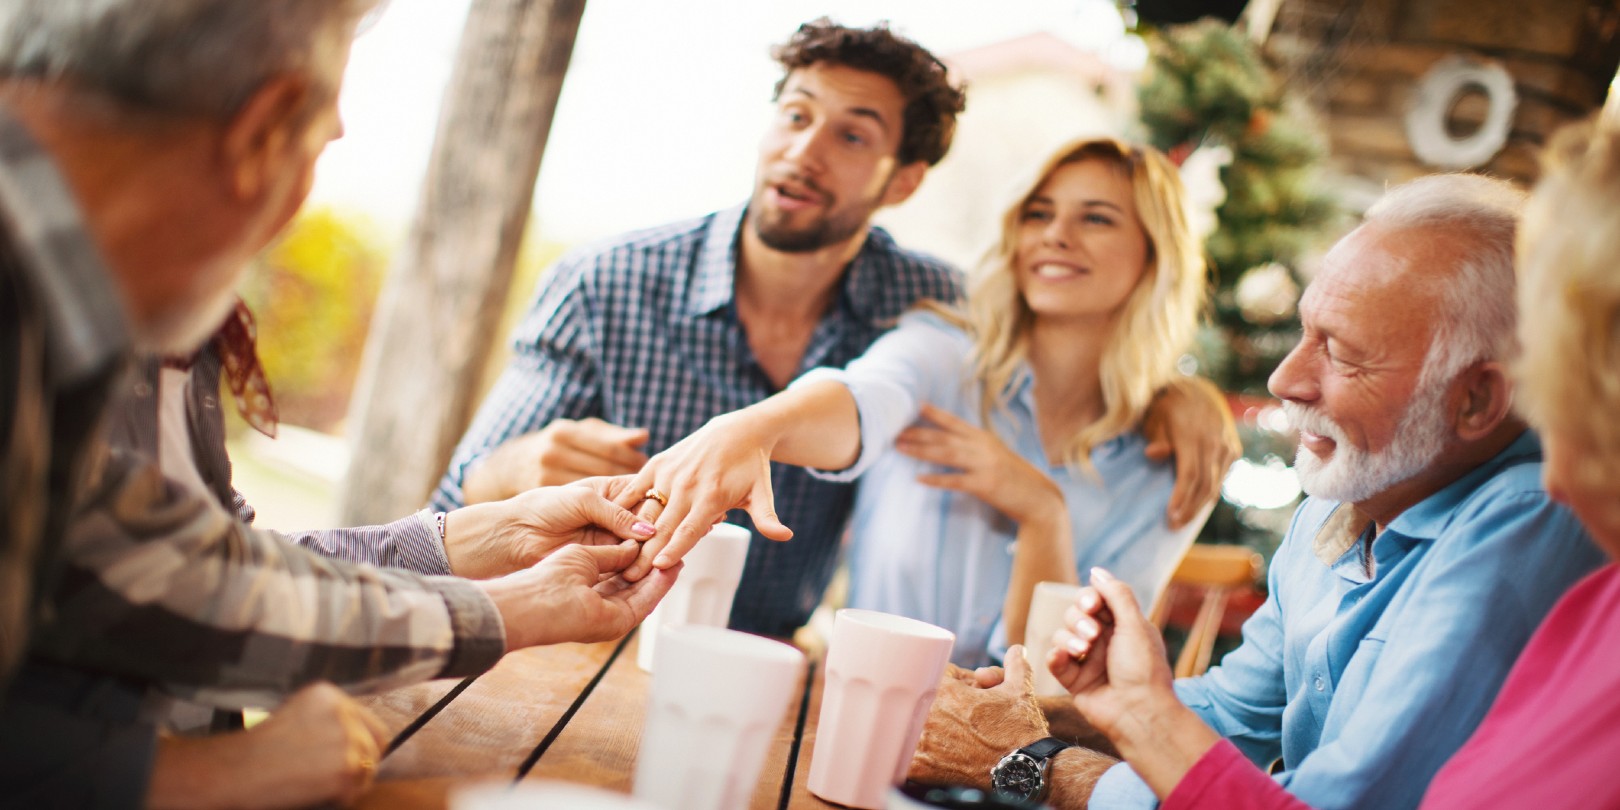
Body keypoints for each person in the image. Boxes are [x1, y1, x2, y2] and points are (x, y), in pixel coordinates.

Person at [0, 1, 678, 805]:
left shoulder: (67, 311)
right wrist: (182, 779)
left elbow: (166, 568)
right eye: (321, 145)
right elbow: (172, 586)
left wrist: (492, 546)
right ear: (265, 129)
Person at [433, 19, 1240, 638]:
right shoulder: (607, 282)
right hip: (570, 635)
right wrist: (515, 468)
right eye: (794, 116)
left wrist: (1175, 392)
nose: (805, 152)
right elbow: (454, 497)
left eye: (851, 134)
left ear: (904, 181)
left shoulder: (923, 300)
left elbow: (1042, 327)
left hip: (765, 658)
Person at [906, 172, 1607, 809]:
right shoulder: (1348, 499)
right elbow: (1234, 714)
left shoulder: (1530, 516)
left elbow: (1335, 805)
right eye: (1303, 332)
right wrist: (1045, 710)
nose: (1286, 381)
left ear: (1479, 399)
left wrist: (1027, 760)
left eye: (1340, 351)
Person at [624, 136, 1209, 668]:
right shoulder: (940, 355)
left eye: (1097, 219)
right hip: (854, 711)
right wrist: (756, 428)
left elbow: (1074, 683)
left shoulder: (1169, 460)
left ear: (1156, 254)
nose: (1055, 235)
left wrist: (1041, 512)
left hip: (1020, 765)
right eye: (1038, 214)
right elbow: (858, 402)